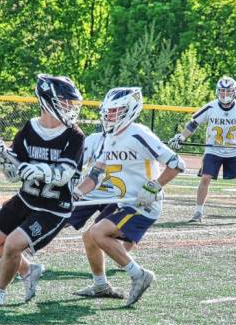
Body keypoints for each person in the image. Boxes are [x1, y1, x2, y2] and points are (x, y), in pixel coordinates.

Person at [72, 87, 185, 307]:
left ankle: (139, 274)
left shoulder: (138, 133)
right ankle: (100, 285)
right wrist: (76, 193)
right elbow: (95, 175)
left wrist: (154, 187)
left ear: (130, 109)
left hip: (143, 204)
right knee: (89, 237)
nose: (108, 116)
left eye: (115, 111)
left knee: (98, 233)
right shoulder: (110, 138)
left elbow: (176, 164)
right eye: (107, 111)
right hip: (125, 202)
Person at [0, 74, 85, 306]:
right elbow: (12, 174)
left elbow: (63, 175)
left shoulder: (75, 136)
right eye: (65, 100)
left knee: (13, 243)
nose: (70, 106)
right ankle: (28, 270)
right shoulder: (29, 128)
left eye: (71, 101)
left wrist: (37, 170)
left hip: (53, 208)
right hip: (26, 200)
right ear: (47, 100)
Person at [168, 76, 236, 225]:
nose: (224, 95)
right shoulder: (210, 107)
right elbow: (193, 124)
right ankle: (198, 212)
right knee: (205, 178)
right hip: (213, 149)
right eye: (222, 91)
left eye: (228, 91)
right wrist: (181, 138)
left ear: (234, 92)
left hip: (233, 149)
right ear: (217, 92)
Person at [68, 128, 130, 299]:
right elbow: (77, 165)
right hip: (92, 192)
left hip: (118, 196)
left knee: (96, 236)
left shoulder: (133, 139)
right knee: (59, 217)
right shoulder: (94, 139)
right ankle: (26, 250)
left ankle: (130, 268)